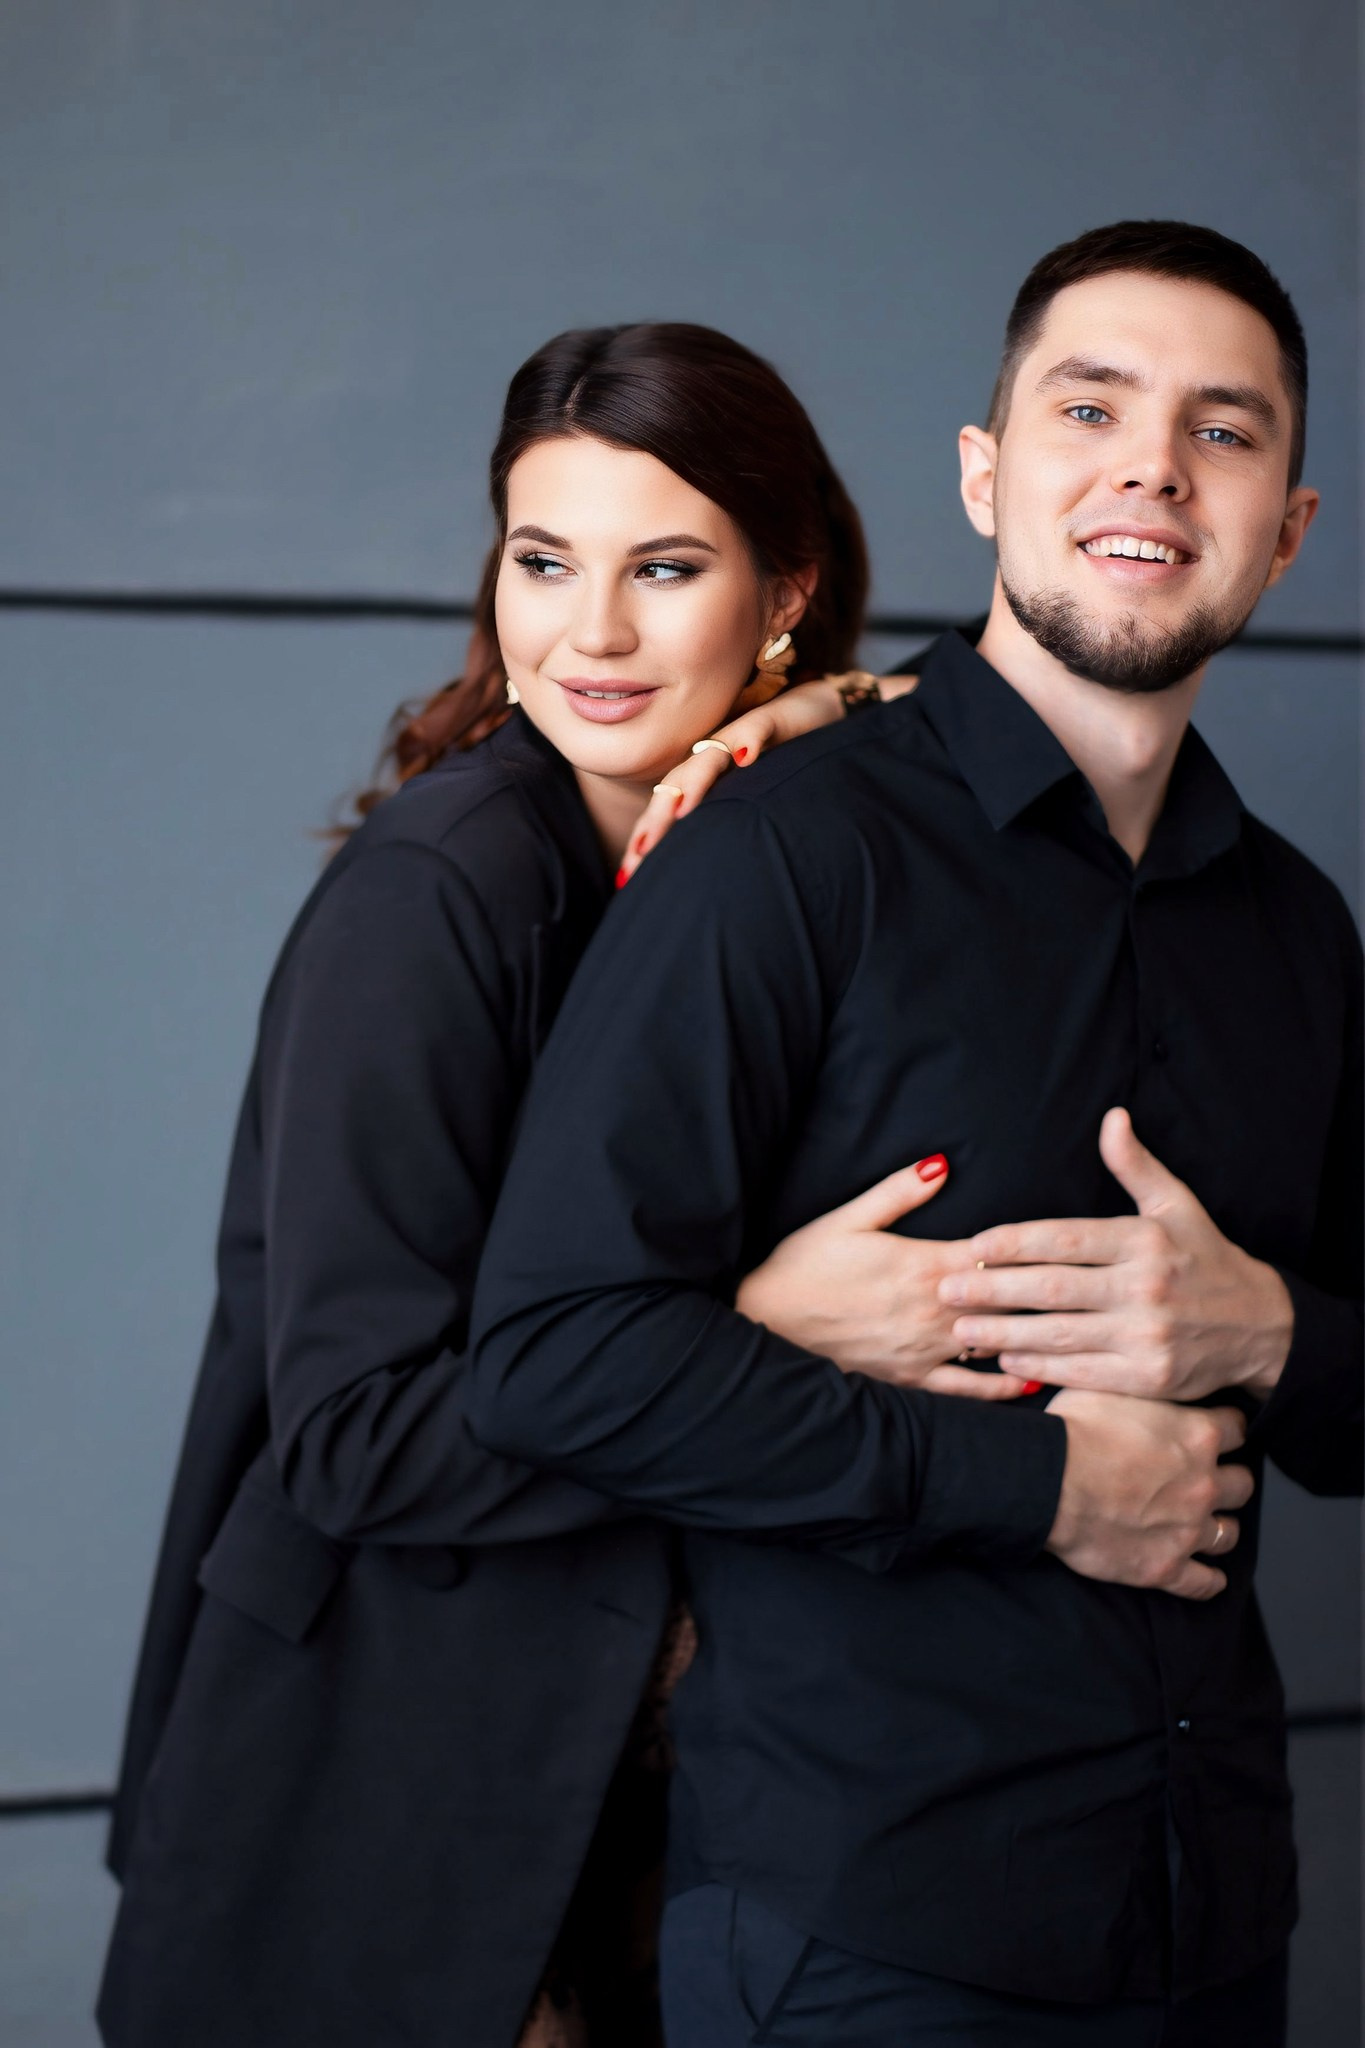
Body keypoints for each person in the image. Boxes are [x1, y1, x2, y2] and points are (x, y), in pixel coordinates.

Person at [98, 320, 1049, 2048]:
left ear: (782, 591)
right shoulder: (444, 891)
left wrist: (834, 705)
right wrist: (759, 1329)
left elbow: (973, 720)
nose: (589, 633)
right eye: (543, 562)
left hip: (644, 1769)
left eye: (662, 569)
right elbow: (356, 1435)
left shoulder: (765, 848)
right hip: (385, 1779)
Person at [468, 222, 1362, 2046]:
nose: (1150, 467)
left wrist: (1268, 1333)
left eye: (1220, 430)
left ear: (1284, 529)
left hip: (1213, 1920)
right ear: (981, 475)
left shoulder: (1296, 926)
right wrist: (1044, 1489)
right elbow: (554, 1357)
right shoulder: (780, 853)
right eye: (1087, 408)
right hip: (867, 1933)